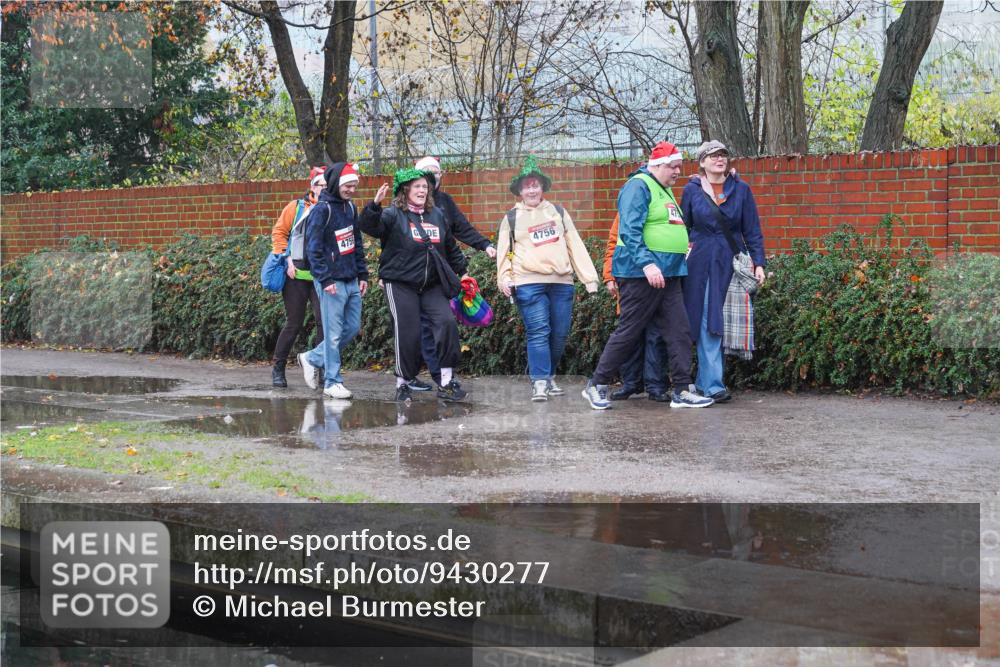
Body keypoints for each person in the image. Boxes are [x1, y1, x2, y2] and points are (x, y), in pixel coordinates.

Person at [582, 141, 713, 410]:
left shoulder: (663, 189)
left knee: (679, 331)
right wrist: (647, 264)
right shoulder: (638, 186)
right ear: (657, 165)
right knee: (630, 330)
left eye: (679, 166)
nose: (678, 171)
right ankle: (597, 384)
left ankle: (681, 389)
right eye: (673, 166)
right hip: (641, 274)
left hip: (669, 273)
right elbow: (629, 231)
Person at [360, 168, 469, 403]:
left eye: (425, 187)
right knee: (408, 332)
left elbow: (450, 247)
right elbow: (370, 227)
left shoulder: (437, 215)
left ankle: (447, 381)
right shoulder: (392, 214)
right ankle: (403, 383)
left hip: (432, 285)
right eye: (417, 186)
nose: (422, 190)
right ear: (405, 190)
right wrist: (374, 206)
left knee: (446, 322)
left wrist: (464, 272)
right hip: (400, 283)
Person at [497, 156, 599, 402]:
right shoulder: (511, 218)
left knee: (560, 333)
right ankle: (540, 381)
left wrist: (589, 278)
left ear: (542, 187)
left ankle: (549, 375)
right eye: (527, 185)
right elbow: (504, 252)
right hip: (527, 282)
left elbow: (574, 244)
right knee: (539, 331)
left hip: (562, 282)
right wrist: (504, 278)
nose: (531, 189)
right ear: (520, 191)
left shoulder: (558, 212)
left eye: (535, 185)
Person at [681, 140, 766, 403]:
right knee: (707, 319)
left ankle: (706, 383)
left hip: (730, 262)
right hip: (700, 262)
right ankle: (714, 384)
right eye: (713, 155)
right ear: (702, 162)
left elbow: (752, 229)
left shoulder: (741, 190)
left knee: (723, 321)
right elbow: (682, 227)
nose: (720, 159)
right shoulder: (692, 190)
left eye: (723, 155)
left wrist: (759, 263)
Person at [408, 156, 497, 393]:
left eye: (435, 172)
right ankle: (439, 378)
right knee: (427, 327)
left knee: (444, 325)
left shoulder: (445, 202)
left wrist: (485, 245)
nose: (431, 177)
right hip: (416, 278)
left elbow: (461, 229)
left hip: (442, 276)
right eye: (426, 172)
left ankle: (442, 375)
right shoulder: (406, 205)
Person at [296, 162, 369, 399]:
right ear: (337, 183)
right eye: (348, 185)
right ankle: (332, 381)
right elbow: (313, 248)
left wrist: (363, 274)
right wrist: (325, 279)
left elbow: (355, 243)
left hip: (351, 279)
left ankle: (312, 358)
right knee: (334, 333)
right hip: (331, 282)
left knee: (352, 328)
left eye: (354, 185)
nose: (351, 189)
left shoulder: (350, 207)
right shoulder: (322, 209)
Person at [601, 213, 671, 401]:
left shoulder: (662, 208)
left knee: (656, 336)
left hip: (658, 280)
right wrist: (609, 276)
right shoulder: (625, 211)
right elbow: (613, 243)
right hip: (630, 280)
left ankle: (656, 385)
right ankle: (631, 383)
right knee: (630, 336)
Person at [269, 166, 326, 387]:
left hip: (321, 277)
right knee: (294, 323)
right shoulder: (296, 207)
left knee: (324, 324)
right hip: (296, 276)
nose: (326, 189)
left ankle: (322, 369)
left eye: (329, 186)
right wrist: (287, 260)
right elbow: (279, 233)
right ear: (312, 187)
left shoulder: (333, 209)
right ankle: (278, 367)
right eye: (322, 185)